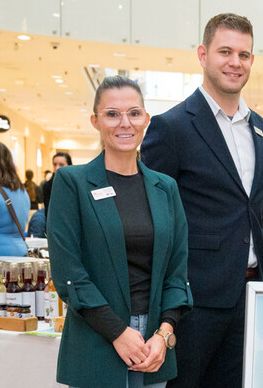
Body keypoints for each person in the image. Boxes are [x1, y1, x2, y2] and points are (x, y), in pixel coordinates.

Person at [141, 13, 263, 388]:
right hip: (194, 301)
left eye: (244, 54)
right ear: (202, 54)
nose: (236, 62)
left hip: (252, 295)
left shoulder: (262, 129)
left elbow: (253, 205)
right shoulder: (172, 127)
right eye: (225, 51)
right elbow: (153, 218)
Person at [49, 76, 193, 388]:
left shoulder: (165, 188)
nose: (124, 123)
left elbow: (176, 271)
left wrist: (164, 333)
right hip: (97, 341)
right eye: (112, 114)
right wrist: (118, 332)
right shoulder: (72, 183)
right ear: (95, 121)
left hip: (154, 347)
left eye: (134, 113)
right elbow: (69, 273)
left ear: (146, 120)